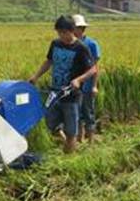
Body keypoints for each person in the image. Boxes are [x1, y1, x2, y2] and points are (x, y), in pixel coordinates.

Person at [28, 15, 96, 153]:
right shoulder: (55, 44)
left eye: (64, 32)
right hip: (54, 92)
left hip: (71, 95)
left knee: (71, 130)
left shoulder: (81, 48)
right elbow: (48, 61)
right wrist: (36, 76)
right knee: (50, 123)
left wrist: (78, 80)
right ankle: (68, 144)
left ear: (72, 31)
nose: (61, 35)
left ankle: (69, 158)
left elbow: (92, 69)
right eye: (59, 32)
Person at [72, 14, 101, 144]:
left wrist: (94, 85)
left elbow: (95, 67)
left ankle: (91, 141)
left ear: (82, 28)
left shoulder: (91, 44)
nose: (74, 30)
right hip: (74, 86)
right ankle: (79, 140)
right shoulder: (69, 44)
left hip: (88, 85)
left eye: (76, 27)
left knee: (88, 113)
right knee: (76, 114)